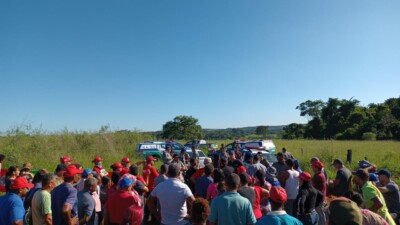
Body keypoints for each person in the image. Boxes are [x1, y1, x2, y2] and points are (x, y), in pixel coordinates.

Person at [310, 161, 327, 225]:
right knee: (320, 214)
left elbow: (311, 186)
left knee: (320, 214)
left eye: (313, 166)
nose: (312, 168)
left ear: (316, 167)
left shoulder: (318, 176)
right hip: (321, 197)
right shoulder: (320, 174)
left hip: (319, 199)